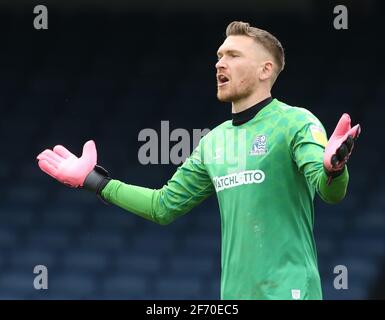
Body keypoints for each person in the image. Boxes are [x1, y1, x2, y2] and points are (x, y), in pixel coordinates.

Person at [36, 21, 360, 300]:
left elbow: (329, 192)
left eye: (233, 55)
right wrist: (94, 180)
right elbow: (162, 207)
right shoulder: (213, 141)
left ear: (266, 69)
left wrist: (334, 169)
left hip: (289, 292)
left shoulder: (294, 122)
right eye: (219, 56)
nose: (220, 63)